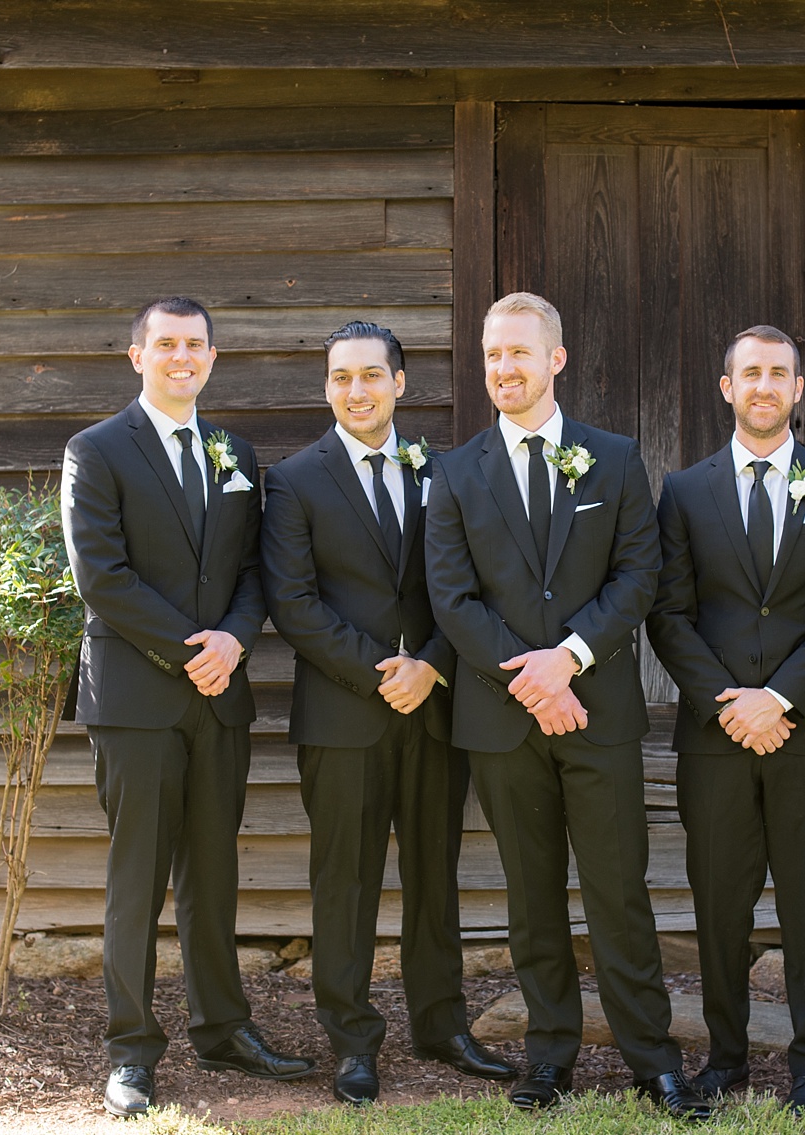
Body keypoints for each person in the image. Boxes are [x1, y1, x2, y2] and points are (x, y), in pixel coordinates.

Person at [423, 292, 709, 1120]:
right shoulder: (455, 471)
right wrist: (532, 679)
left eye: (519, 353)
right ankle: (550, 1054)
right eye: (492, 356)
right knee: (532, 892)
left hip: (600, 712)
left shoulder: (614, 459)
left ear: (556, 359)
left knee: (619, 890)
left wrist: (570, 658)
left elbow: (637, 575)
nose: (504, 369)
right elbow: (451, 595)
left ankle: (652, 1061)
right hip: (502, 718)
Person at [61, 296, 315, 1119]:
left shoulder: (234, 451)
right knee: (137, 878)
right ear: (136, 355)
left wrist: (235, 641)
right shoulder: (95, 450)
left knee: (213, 872)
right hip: (135, 697)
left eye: (195, 345)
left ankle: (222, 1028)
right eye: (165, 343)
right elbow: (101, 576)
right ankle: (131, 1051)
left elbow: (252, 570)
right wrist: (192, 649)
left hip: (220, 697)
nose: (182, 356)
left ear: (212, 357)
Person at [260, 321, 516, 1104]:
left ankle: (442, 1024)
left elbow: (471, 587)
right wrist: (382, 676)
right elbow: (294, 604)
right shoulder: (295, 480)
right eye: (341, 378)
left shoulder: (444, 472)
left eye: (372, 375)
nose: (357, 390)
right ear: (327, 387)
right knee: (345, 883)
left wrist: (432, 664)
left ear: (401, 384)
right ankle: (352, 1040)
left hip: (436, 710)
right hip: (344, 716)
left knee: (435, 876)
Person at [647, 325, 805, 1115]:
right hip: (714, 738)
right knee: (719, 902)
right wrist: (730, 705)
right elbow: (669, 616)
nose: (765, 385)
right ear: (727, 387)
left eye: (780, 373)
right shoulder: (682, 490)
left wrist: (776, 699)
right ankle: (727, 1056)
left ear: (799, 388)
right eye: (751, 373)